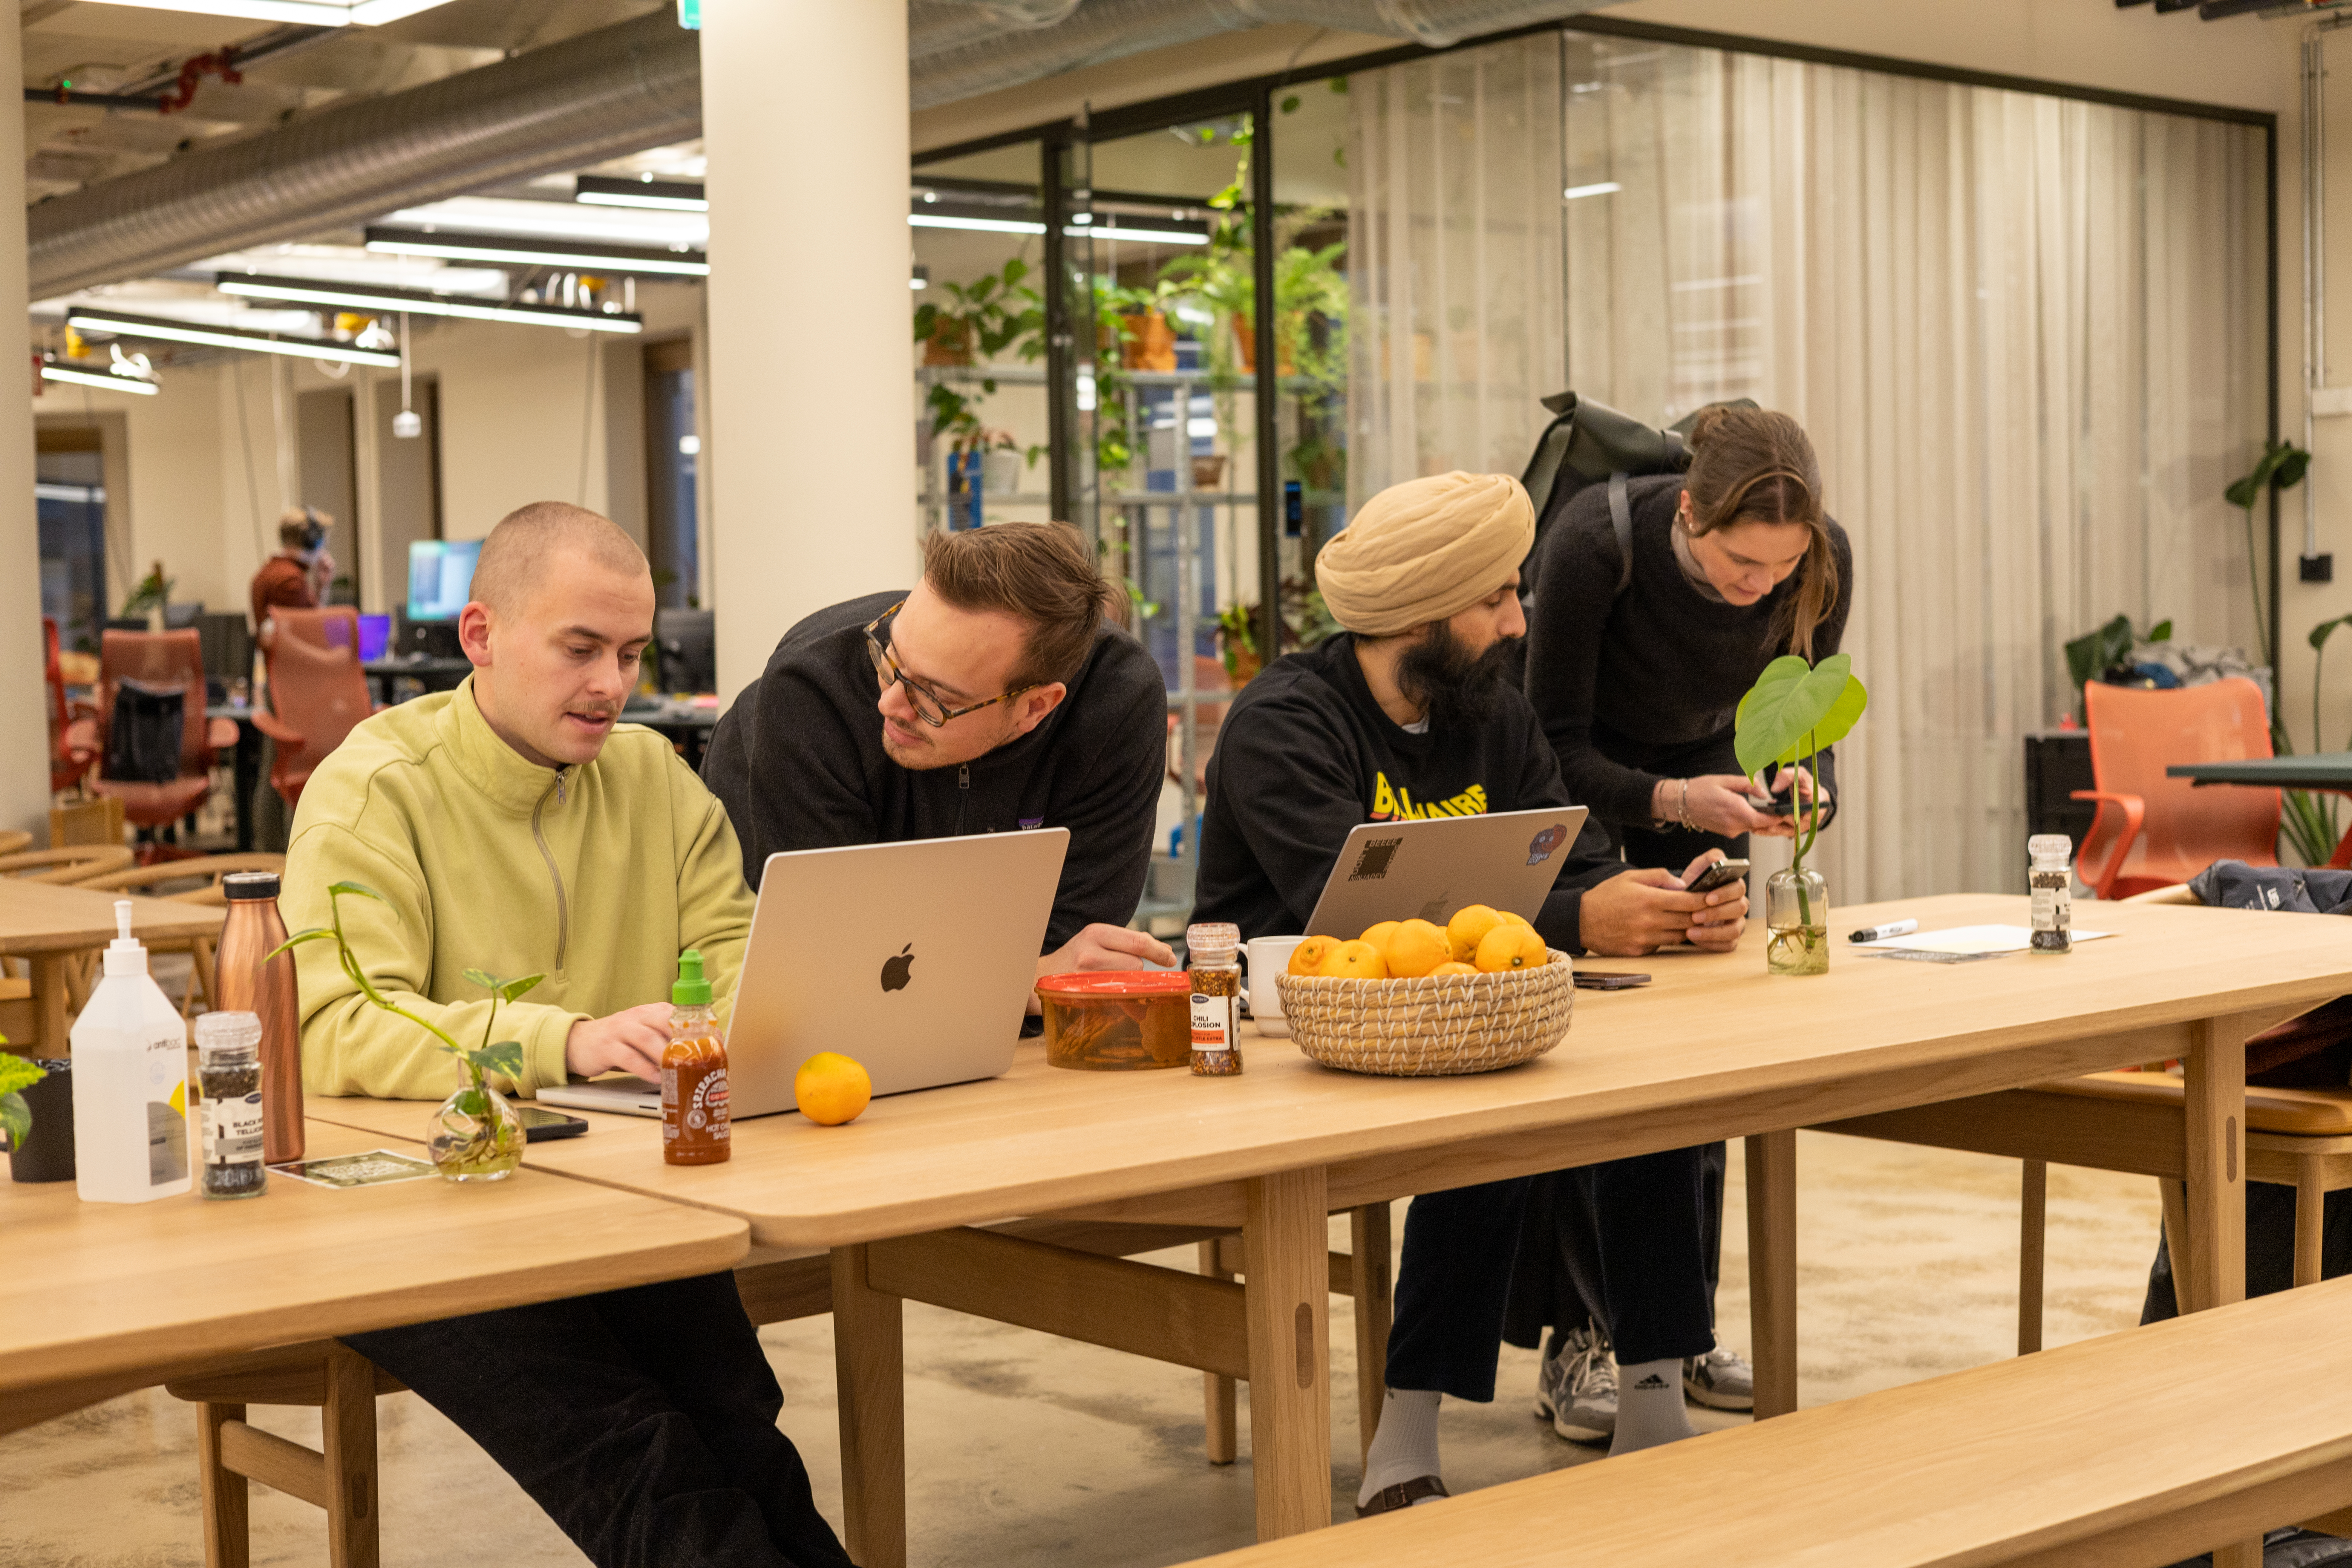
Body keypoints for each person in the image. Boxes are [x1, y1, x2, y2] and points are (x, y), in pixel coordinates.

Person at [283, 501, 849, 1568]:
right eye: (580, 648)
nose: (612, 683)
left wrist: (735, 1022)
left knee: (739, 1421)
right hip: (418, 1211)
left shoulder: (653, 779)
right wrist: (568, 1039)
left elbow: (738, 957)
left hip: (619, 1190)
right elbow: (337, 1025)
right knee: (636, 1456)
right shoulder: (372, 791)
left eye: (633, 653)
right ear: (482, 636)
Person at [1187, 470, 1748, 1516]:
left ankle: (1656, 1399)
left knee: (1652, 1086)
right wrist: (1580, 921)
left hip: (1448, 1024)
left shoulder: (1490, 710)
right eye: (1495, 596)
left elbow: (1559, 862)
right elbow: (1357, 916)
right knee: (1485, 1117)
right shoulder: (1283, 725)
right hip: (1287, 1044)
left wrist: (1658, 902)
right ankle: (1406, 1426)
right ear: (1417, 612)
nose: (1517, 617)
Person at [1509, 406, 1853, 1445]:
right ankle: (1580, 1336)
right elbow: (1549, 747)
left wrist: (1804, 787)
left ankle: (1678, 1330)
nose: (1762, 589)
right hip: (1593, 805)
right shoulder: (1593, 547)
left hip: (1707, 796)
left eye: (1782, 570)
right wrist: (1670, 799)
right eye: (1742, 565)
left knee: (1704, 1073)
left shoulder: (1817, 561)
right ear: (1691, 512)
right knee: (1597, 1076)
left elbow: (1809, 715)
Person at [703, 520, 1174, 981]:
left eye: (935, 697)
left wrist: (1032, 974)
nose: (888, 703)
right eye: (891, 658)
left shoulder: (1118, 700)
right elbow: (833, 958)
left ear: (1035, 707)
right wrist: (1028, 978)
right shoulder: (810, 694)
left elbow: (1073, 941)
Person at [249, 506, 334, 633]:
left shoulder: (271, 570)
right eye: (321, 542)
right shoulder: (291, 579)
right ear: (311, 541)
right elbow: (311, 631)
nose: (322, 550)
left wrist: (321, 586)